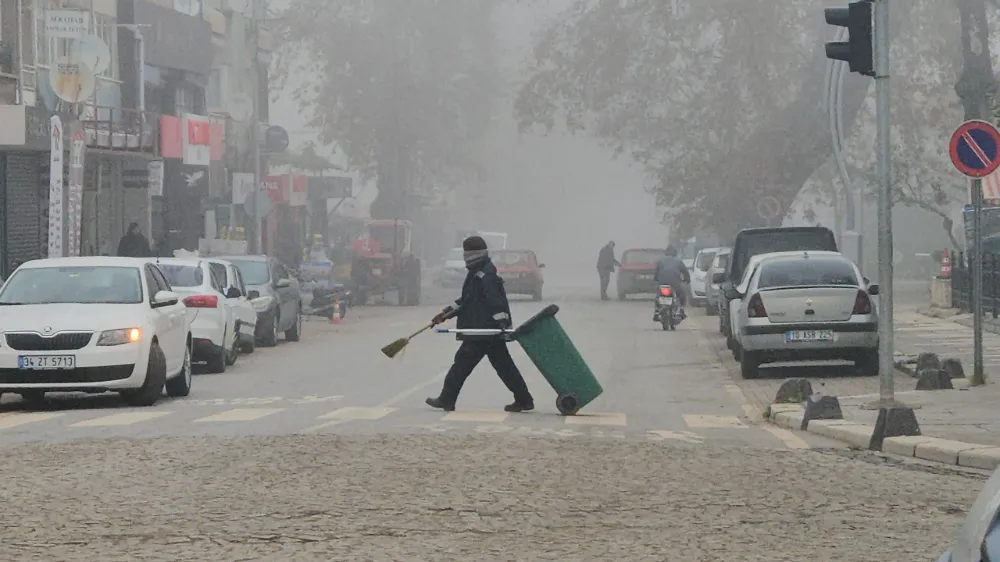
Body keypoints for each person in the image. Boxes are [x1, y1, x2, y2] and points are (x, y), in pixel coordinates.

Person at [425, 236, 534, 413]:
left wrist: (501, 323)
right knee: (505, 367)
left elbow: (496, 302)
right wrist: (445, 314)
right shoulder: (478, 272)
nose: (464, 258)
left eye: (466, 254)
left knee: (461, 365)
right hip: (486, 331)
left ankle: (446, 399)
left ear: (472, 255)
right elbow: (467, 300)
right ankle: (524, 400)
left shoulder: (484, 276)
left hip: (482, 331)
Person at [653, 245, 691, 320]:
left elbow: (656, 273)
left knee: (658, 296)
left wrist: (656, 280)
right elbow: (685, 272)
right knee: (682, 295)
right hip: (675, 284)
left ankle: (657, 310)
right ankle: (681, 309)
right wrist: (687, 280)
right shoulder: (678, 261)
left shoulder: (661, 261)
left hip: (662, 284)